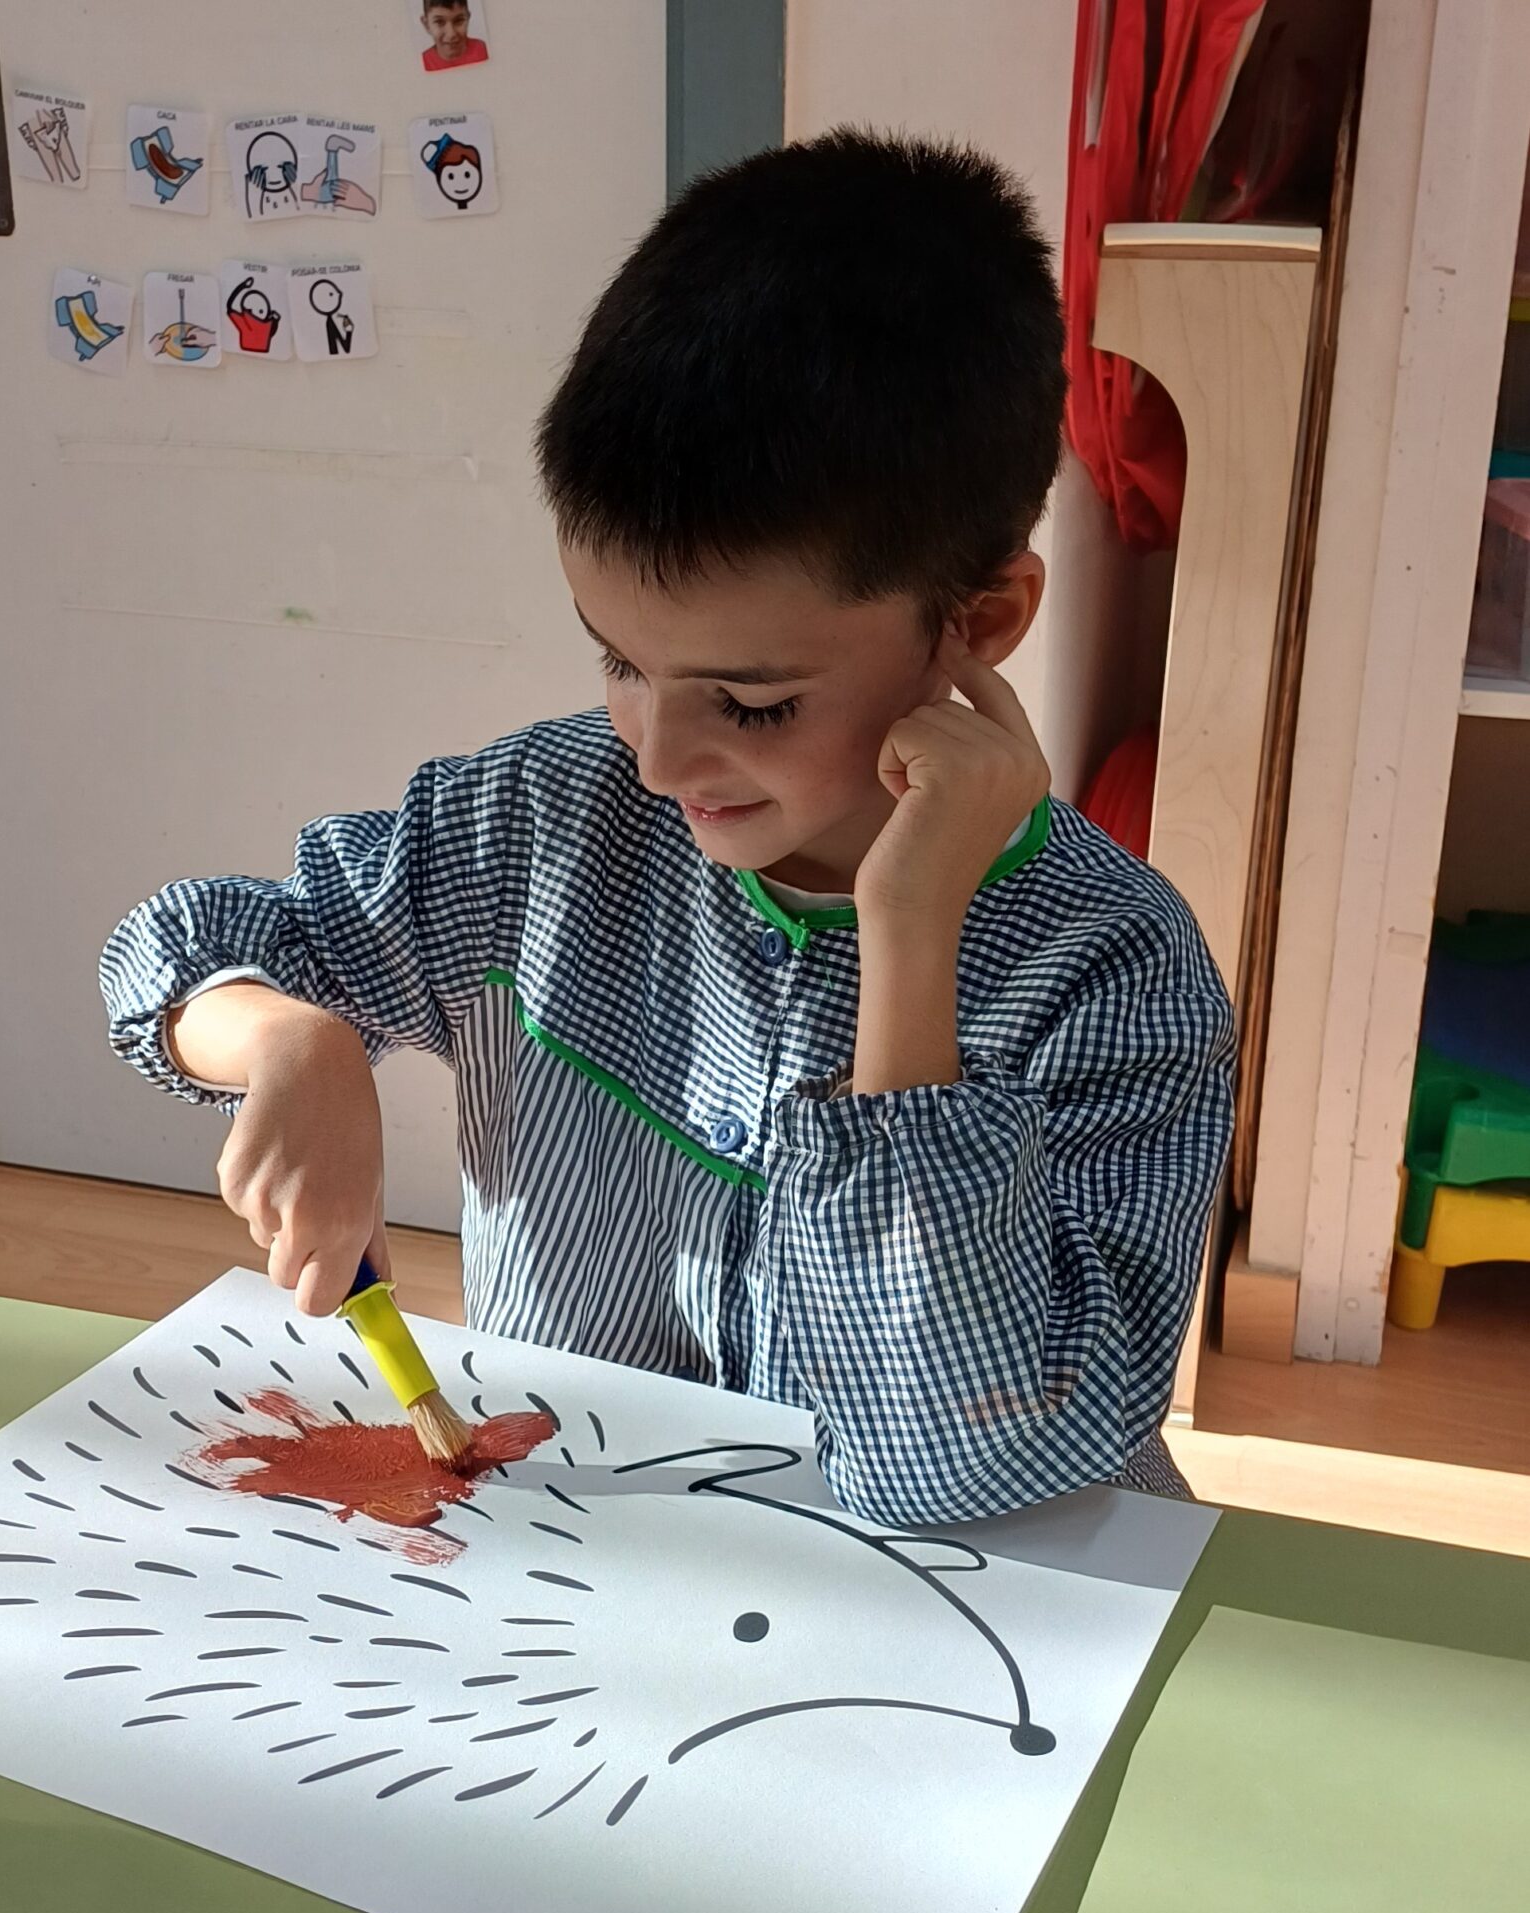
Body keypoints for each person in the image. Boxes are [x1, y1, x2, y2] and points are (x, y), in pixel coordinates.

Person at [101, 132, 1234, 1528]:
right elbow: (171, 951)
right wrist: (287, 1038)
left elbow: (949, 1466)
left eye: (752, 703)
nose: (656, 757)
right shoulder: (536, 824)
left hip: (955, 1610)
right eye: (620, 661)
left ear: (982, 621)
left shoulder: (1113, 970)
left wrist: (909, 941)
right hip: (587, 1577)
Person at [419, 0, 489, 72]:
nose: (451, 34)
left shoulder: (483, 50)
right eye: (439, 22)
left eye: (459, 20)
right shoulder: (421, 64)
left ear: (468, 19)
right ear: (426, 24)